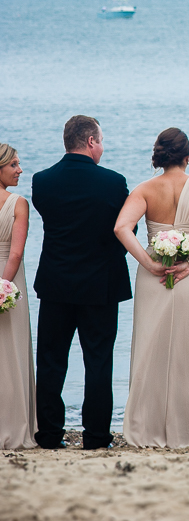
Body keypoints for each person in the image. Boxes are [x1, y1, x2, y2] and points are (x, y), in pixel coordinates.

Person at [113, 128, 189, 448]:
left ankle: (146, 429)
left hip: (155, 276)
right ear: (187, 157)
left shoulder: (144, 189)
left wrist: (149, 264)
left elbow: (121, 227)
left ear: (159, 156)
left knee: (152, 349)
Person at [30, 116, 131, 449]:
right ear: (90, 141)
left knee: (50, 361)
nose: (102, 147)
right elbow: (121, 232)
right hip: (100, 286)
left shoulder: (42, 181)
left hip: (56, 283)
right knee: (99, 361)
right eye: (100, 141)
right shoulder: (114, 183)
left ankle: (48, 434)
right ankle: (97, 436)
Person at [0, 143, 36, 449]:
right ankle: (13, 426)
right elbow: (16, 253)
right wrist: (2, 287)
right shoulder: (18, 203)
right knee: (10, 353)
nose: (20, 170)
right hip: (8, 282)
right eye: (13, 165)